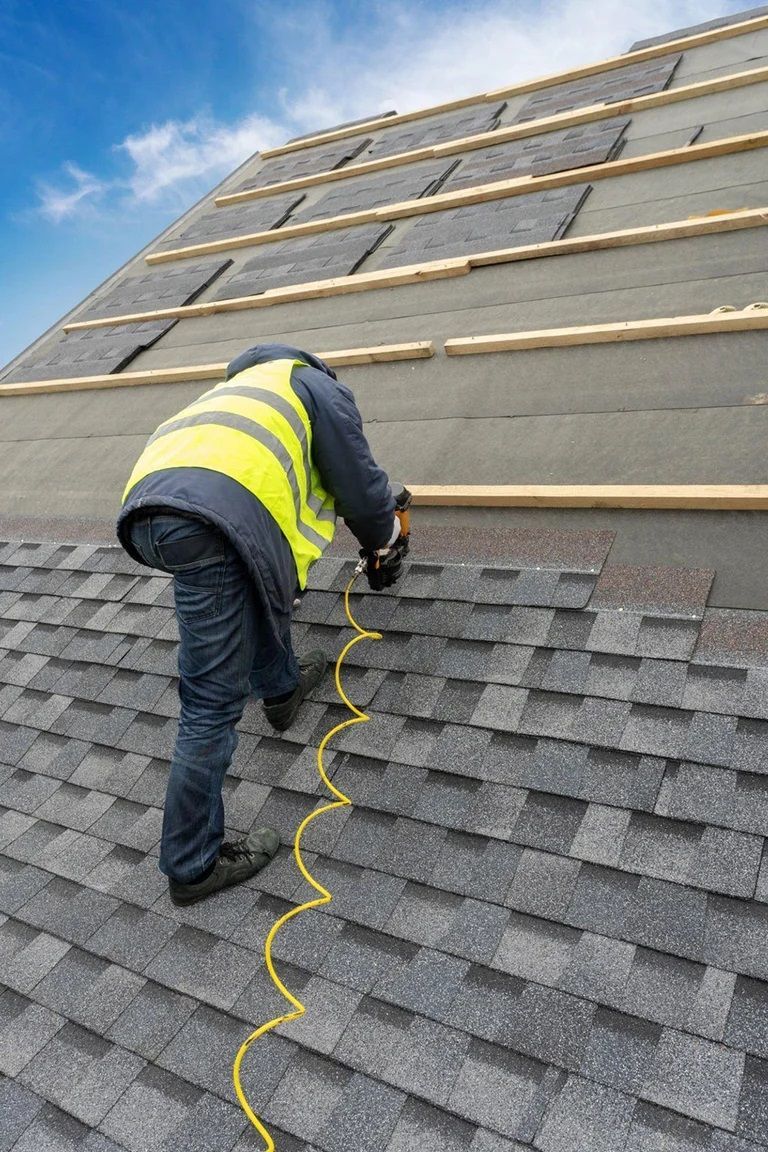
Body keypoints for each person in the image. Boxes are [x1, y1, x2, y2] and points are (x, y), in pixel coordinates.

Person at [117, 343, 407, 906]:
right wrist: (386, 542)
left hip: (148, 514)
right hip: (208, 519)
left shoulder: (237, 391)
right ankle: (192, 864)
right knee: (209, 703)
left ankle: (281, 689)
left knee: (245, 592)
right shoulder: (313, 385)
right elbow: (360, 486)